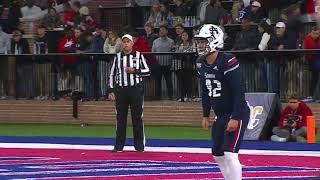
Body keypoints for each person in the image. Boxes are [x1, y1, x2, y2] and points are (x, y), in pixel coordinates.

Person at [194, 24, 250, 180]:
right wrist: (205, 114)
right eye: (198, 41)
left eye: (203, 41)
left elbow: (239, 91)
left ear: (214, 41)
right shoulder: (200, 62)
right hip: (220, 115)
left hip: (235, 112)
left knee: (230, 154)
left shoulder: (227, 60)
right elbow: (205, 90)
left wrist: (236, 117)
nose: (200, 45)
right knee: (217, 154)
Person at [108, 33, 150, 152]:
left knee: (137, 118)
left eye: (128, 42)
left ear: (132, 43)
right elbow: (112, 74)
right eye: (124, 42)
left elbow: (147, 71)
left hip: (135, 89)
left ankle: (139, 146)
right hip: (121, 90)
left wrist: (135, 71)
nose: (125, 44)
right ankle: (119, 146)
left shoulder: (138, 55)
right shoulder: (117, 57)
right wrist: (111, 90)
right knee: (120, 118)